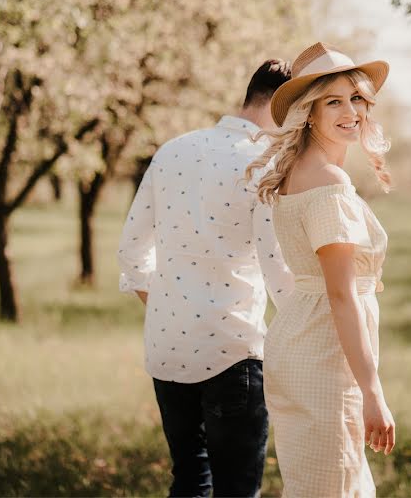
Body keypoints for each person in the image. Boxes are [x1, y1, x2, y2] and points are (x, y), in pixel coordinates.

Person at [117, 59, 295, 498]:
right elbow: (279, 275)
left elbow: (130, 254)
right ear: (281, 107)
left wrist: (169, 307)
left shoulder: (172, 150)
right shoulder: (265, 167)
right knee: (237, 490)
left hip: (166, 346)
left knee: (191, 481)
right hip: (233, 351)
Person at [245, 42, 396, 497]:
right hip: (324, 353)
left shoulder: (301, 169)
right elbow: (341, 295)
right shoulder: (329, 183)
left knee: (320, 483)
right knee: (333, 486)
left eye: (356, 99)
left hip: (302, 340)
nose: (351, 110)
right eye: (334, 101)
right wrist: (373, 392)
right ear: (309, 112)